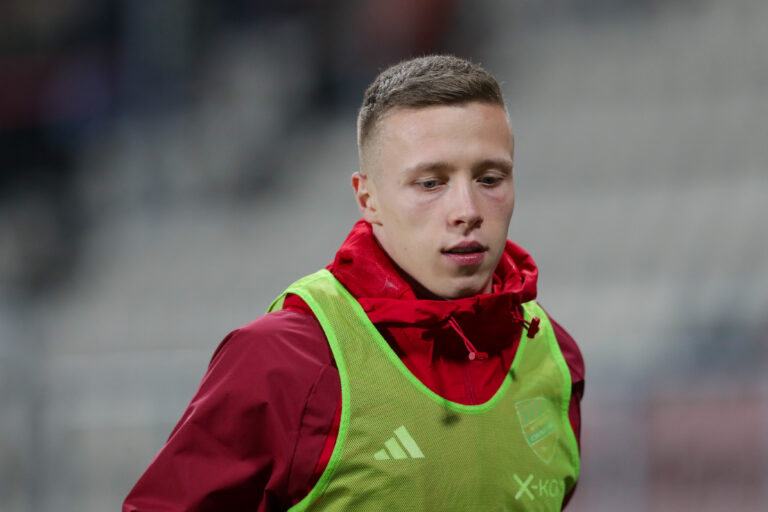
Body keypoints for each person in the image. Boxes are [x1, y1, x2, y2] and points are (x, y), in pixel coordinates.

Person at [124, 54, 584, 511]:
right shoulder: (285, 359)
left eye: (489, 178)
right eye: (430, 183)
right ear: (368, 198)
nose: (467, 209)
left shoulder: (557, 361)